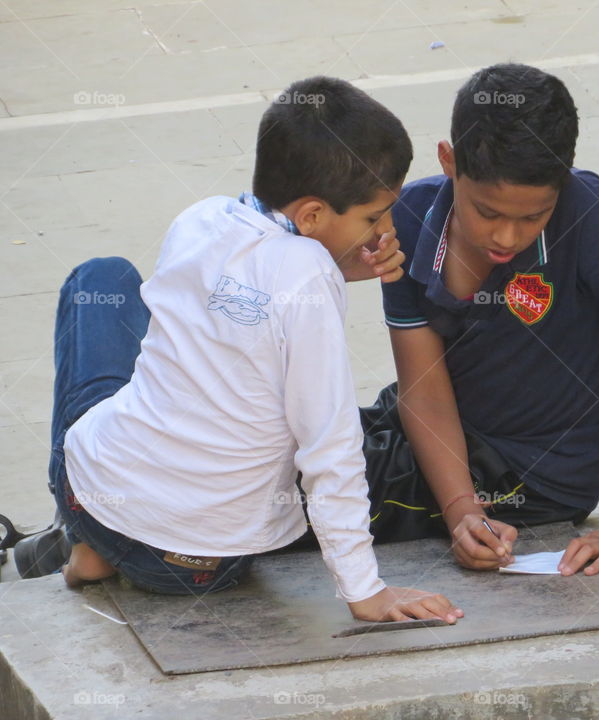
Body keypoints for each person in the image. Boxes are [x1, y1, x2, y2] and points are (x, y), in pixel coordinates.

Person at [15, 76, 462, 625]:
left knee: (100, 279)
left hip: (96, 501)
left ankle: (89, 542)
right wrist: (364, 591)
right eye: (373, 217)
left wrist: (338, 267)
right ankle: (94, 550)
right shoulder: (309, 281)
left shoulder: (200, 219)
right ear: (315, 215)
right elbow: (330, 446)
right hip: (201, 566)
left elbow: (246, 294)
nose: (385, 230)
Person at [361, 63, 599, 581]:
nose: (506, 236)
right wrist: (462, 512)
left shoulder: (589, 217)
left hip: (531, 477)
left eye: (532, 217)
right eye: (488, 212)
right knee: (279, 440)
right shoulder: (409, 218)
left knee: (294, 493)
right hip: (430, 429)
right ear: (449, 162)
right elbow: (422, 389)